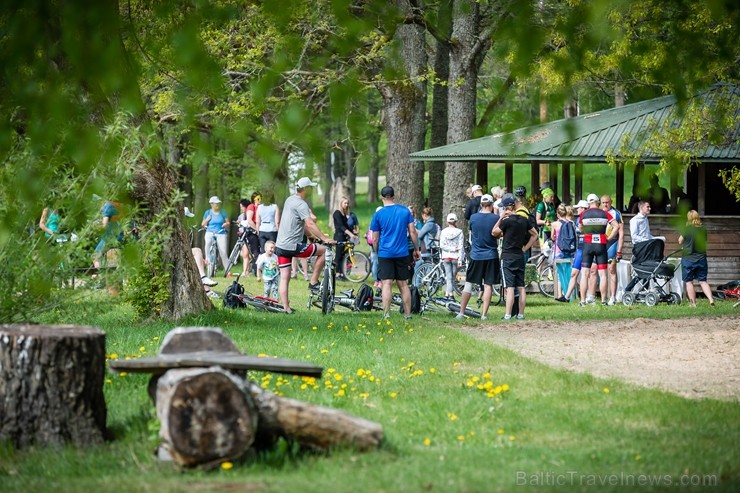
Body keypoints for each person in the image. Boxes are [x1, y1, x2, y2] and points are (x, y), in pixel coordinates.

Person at [275, 177, 335, 314]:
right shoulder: (301, 204)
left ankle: (286, 308)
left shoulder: (289, 200)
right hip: (293, 246)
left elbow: (300, 225)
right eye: (311, 188)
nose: (312, 190)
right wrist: (323, 238)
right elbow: (309, 223)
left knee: (285, 277)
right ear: (305, 189)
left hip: (281, 246)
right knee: (325, 250)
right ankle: (313, 282)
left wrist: (310, 236)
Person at [370, 186, 420, 320]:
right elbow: (413, 232)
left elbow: (375, 238)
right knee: (403, 284)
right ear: (394, 196)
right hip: (402, 252)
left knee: (386, 284)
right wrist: (416, 249)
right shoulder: (404, 211)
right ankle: (408, 315)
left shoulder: (378, 214)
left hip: (385, 253)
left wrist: (377, 251)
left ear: (382, 197)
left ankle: (386, 314)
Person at [493, 195, 538, 320]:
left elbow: (494, 232)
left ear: (508, 207)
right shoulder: (524, 220)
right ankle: (521, 314)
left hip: (507, 256)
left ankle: (508, 314)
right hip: (519, 255)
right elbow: (535, 235)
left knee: (510, 287)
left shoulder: (507, 221)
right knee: (521, 286)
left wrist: (501, 217)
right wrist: (525, 247)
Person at [457, 194, 500, 320]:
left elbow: (472, 231)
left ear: (481, 205)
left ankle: (461, 312)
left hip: (476, 255)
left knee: (469, 284)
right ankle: (484, 314)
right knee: (488, 285)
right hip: (491, 254)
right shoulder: (495, 218)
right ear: (492, 205)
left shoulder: (473, 218)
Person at [579, 193, 619, 306]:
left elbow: (580, 227)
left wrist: (585, 230)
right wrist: (609, 238)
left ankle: (582, 301)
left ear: (588, 203)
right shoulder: (605, 213)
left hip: (588, 244)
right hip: (601, 244)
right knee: (603, 274)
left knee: (585, 273)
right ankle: (603, 300)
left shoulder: (583, 214)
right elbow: (616, 226)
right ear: (598, 202)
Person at [678, 210, 715, 307]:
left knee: (689, 282)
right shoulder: (703, 229)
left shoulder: (687, 229)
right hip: (701, 258)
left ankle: (693, 304)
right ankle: (711, 300)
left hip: (688, 259)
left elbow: (680, 241)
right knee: (703, 281)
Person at [556, 200, 589, 303]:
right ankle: (566, 297)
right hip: (579, 248)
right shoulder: (576, 220)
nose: (577, 210)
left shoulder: (587, 219)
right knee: (574, 273)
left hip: (587, 248)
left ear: (583, 209)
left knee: (586, 273)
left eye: (578, 208)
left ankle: (587, 297)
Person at [601, 194, 624, 305]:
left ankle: (613, 297)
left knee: (612, 269)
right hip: (600, 243)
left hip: (612, 243)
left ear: (611, 202)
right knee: (600, 270)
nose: (605, 205)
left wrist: (619, 250)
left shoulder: (616, 213)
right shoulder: (599, 212)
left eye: (607, 202)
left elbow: (621, 233)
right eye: (603, 203)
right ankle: (603, 297)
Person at [550, 204, 575, 299]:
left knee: (559, 273)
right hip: (569, 250)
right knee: (569, 272)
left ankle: (560, 294)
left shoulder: (555, 224)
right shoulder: (571, 223)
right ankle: (569, 294)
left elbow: (552, 237)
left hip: (558, 250)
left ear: (558, 214)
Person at [202, 196, 230, 276]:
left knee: (223, 252)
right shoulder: (208, 212)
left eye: (218, 203)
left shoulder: (223, 212)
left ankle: (227, 271)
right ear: (211, 204)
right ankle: (208, 259)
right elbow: (203, 224)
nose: (217, 205)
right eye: (215, 203)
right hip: (210, 232)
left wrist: (225, 224)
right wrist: (207, 220)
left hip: (221, 232)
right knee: (208, 243)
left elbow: (228, 222)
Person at [332, 197, 359, 281]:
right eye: (345, 203)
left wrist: (353, 232)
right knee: (338, 255)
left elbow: (346, 226)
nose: (346, 205)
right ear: (341, 204)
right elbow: (341, 226)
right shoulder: (337, 213)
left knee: (343, 256)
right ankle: (337, 274)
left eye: (347, 203)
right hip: (339, 236)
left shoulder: (344, 214)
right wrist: (350, 234)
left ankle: (341, 273)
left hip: (344, 237)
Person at [439, 213, 464, 301]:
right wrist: (460, 258)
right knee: (452, 277)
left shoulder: (444, 231)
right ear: (456, 221)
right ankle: (451, 295)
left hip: (446, 256)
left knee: (448, 276)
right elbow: (461, 247)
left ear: (447, 221)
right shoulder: (459, 232)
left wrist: (450, 248)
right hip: (455, 257)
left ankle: (448, 294)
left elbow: (442, 245)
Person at [93, 199, 124, 269]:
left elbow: (104, 226)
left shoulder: (108, 207)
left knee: (95, 257)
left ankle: (100, 275)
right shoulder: (120, 206)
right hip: (120, 236)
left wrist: (95, 227)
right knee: (116, 261)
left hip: (108, 237)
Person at [236, 199, 253, 277]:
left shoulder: (251, 214)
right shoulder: (241, 216)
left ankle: (246, 271)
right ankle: (245, 271)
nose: (241, 208)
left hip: (249, 235)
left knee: (247, 254)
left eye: (241, 207)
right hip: (242, 236)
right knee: (244, 254)